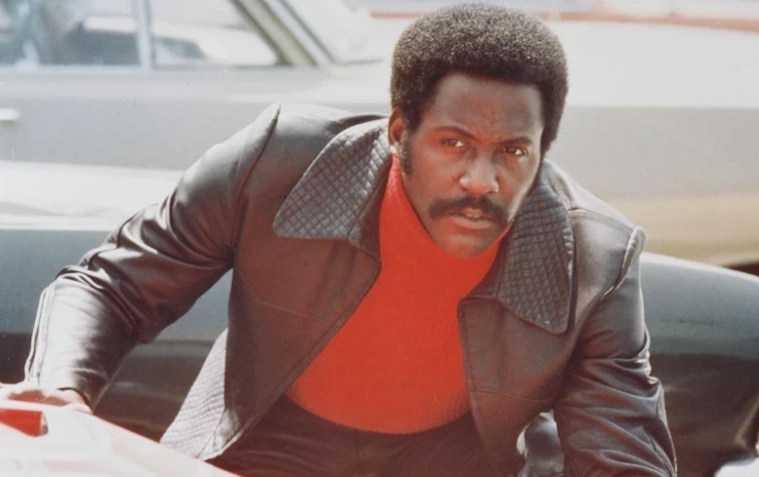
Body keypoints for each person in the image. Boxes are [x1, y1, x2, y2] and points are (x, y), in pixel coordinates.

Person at [0, 4, 676, 477]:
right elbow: (112, 286)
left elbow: (622, 455)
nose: (481, 179)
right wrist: (58, 392)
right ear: (399, 131)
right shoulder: (276, 163)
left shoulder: (595, 259)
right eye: (453, 143)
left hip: (451, 464)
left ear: (543, 150)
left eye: (513, 151)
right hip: (259, 446)